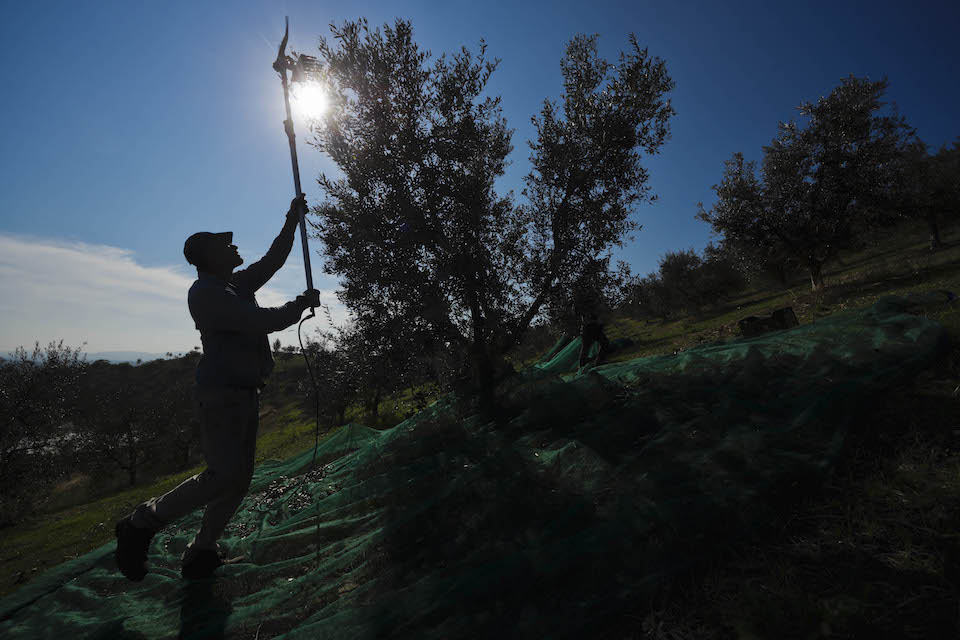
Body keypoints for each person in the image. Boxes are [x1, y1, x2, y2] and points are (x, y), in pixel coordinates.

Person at [114, 194, 321, 581]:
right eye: (225, 244)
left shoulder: (234, 284)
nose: (235, 245)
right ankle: (140, 523)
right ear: (208, 257)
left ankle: (202, 550)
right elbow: (257, 321)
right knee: (221, 476)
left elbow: (274, 260)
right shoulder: (206, 294)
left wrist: (292, 220)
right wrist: (299, 304)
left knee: (238, 478)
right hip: (221, 394)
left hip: (242, 392)